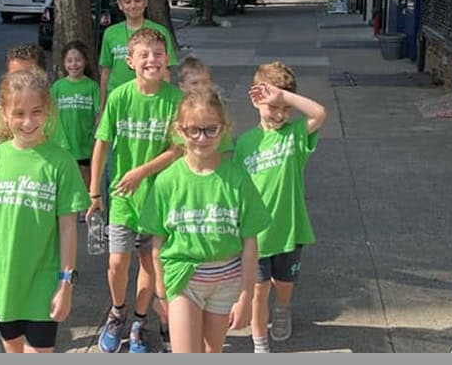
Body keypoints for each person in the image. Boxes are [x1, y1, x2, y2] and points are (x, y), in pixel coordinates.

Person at [0, 69, 90, 353]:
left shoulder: (61, 163)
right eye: (18, 114)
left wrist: (66, 284)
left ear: (49, 111)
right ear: (3, 113)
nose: (28, 122)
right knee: (13, 349)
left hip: (44, 279)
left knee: (41, 351)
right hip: (2, 280)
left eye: (36, 112)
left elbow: (67, 228)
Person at [140, 86, 271, 353]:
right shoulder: (167, 180)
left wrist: (246, 296)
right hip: (183, 278)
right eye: (194, 130)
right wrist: (161, 290)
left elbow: (250, 241)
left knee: (213, 352)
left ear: (224, 128)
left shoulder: (237, 178)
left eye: (210, 129)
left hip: (226, 281)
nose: (202, 138)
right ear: (180, 130)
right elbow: (157, 241)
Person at [87, 28, 184, 353]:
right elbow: (102, 144)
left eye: (158, 53)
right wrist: (94, 193)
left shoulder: (175, 99)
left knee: (148, 264)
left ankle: (140, 322)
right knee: (117, 262)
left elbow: (178, 148)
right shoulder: (120, 97)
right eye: (144, 54)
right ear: (130, 61)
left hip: (159, 199)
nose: (152, 60)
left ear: (166, 58)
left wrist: (141, 172)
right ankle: (118, 313)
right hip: (123, 199)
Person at [233, 61, 327, 353]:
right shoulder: (245, 142)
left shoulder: (295, 134)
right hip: (256, 235)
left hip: (289, 227)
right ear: (256, 101)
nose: (279, 114)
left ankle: (283, 307)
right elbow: (235, 187)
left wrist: (283, 96)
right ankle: (261, 346)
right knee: (259, 291)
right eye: (273, 107)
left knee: (283, 284)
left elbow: (319, 113)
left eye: (284, 109)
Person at [97, 0, 179, 118]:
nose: (133, 5)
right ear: (120, 4)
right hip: (118, 101)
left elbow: (165, 72)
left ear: (145, 2)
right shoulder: (110, 33)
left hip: (150, 100)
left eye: (137, 0)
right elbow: (106, 72)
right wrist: (102, 107)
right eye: (127, 1)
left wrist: (165, 104)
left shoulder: (160, 32)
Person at [50, 40, 100, 220]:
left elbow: (98, 112)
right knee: (64, 173)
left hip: (84, 139)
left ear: (85, 62)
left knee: (85, 172)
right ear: (64, 63)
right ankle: (65, 204)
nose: (73, 64)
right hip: (63, 140)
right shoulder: (58, 87)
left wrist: (96, 134)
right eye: (69, 60)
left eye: (77, 60)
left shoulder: (92, 86)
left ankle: (86, 204)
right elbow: (50, 112)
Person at [0, 44, 49, 148]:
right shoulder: (2, 110)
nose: (21, 81)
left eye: (28, 75)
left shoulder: (49, 110)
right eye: (15, 76)